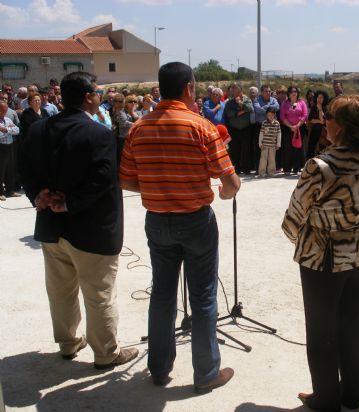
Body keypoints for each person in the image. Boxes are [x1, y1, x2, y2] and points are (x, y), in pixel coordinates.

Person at [119, 62, 240, 391]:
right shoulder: (200, 127)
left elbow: (127, 180)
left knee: (161, 294)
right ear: (188, 88)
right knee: (202, 298)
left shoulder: (138, 128)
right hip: (196, 220)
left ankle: (158, 369)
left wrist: (160, 185)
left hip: (157, 220)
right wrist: (225, 193)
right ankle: (206, 374)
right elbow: (230, 182)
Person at [18, 71, 138, 368]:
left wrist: (38, 196)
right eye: (97, 92)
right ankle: (106, 352)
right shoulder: (97, 133)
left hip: (51, 227)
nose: (100, 97)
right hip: (91, 229)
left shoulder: (39, 130)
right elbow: (103, 181)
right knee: (98, 294)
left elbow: (25, 169)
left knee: (60, 291)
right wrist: (69, 203)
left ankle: (68, 343)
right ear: (88, 97)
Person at [282, 94, 359, 412]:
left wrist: (305, 236)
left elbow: (293, 218)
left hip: (323, 259)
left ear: (341, 126)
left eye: (330, 116)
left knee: (322, 330)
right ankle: (353, 396)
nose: (324, 119)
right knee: (356, 326)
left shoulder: (320, 166)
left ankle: (326, 400)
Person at [225, 83, 254, 174]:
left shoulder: (247, 99)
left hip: (246, 129)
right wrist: (241, 112)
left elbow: (250, 108)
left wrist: (240, 103)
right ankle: (236, 168)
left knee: (246, 149)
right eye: (232, 89)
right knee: (234, 149)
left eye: (235, 89)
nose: (233, 90)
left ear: (240, 90)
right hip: (233, 129)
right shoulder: (229, 102)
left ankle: (246, 168)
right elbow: (229, 113)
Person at [279, 85, 308, 175]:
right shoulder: (285, 103)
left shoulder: (302, 102)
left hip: (300, 128)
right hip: (288, 129)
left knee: (298, 148)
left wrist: (297, 126)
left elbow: (305, 115)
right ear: (289, 93)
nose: (294, 93)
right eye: (292, 91)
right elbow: (282, 116)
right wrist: (291, 126)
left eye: (295, 91)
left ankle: (296, 168)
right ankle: (287, 168)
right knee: (288, 148)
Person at [0, 96, 20, 201]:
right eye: (2, 110)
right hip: (1, 148)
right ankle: (0, 192)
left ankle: (10, 190)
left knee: (10, 169)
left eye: (5, 110)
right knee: (1, 170)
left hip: (10, 146)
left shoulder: (7, 119)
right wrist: (9, 130)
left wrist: (5, 129)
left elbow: (17, 130)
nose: (4, 112)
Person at [258, 107, 281, 177]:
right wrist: (260, 143)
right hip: (264, 145)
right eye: (268, 115)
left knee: (272, 159)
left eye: (271, 115)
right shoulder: (264, 123)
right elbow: (261, 133)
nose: (270, 117)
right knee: (263, 159)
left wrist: (278, 144)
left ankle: (271, 172)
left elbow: (279, 134)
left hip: (273, 145)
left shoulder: (277, 123)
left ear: (274, 115)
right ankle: (262, 172)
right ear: (266, 115)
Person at [306, 90, 329, 160]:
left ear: (324, 98)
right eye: (318, 97)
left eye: (321, 97)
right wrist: (318, 121)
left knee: (322, 149)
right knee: (311, 148)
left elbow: (323, 121)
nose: (319, 99)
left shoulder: (326, 108)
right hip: (314, 130)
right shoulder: (313, 107)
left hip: (323, 132)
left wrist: (320, 109)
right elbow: (310, 119)